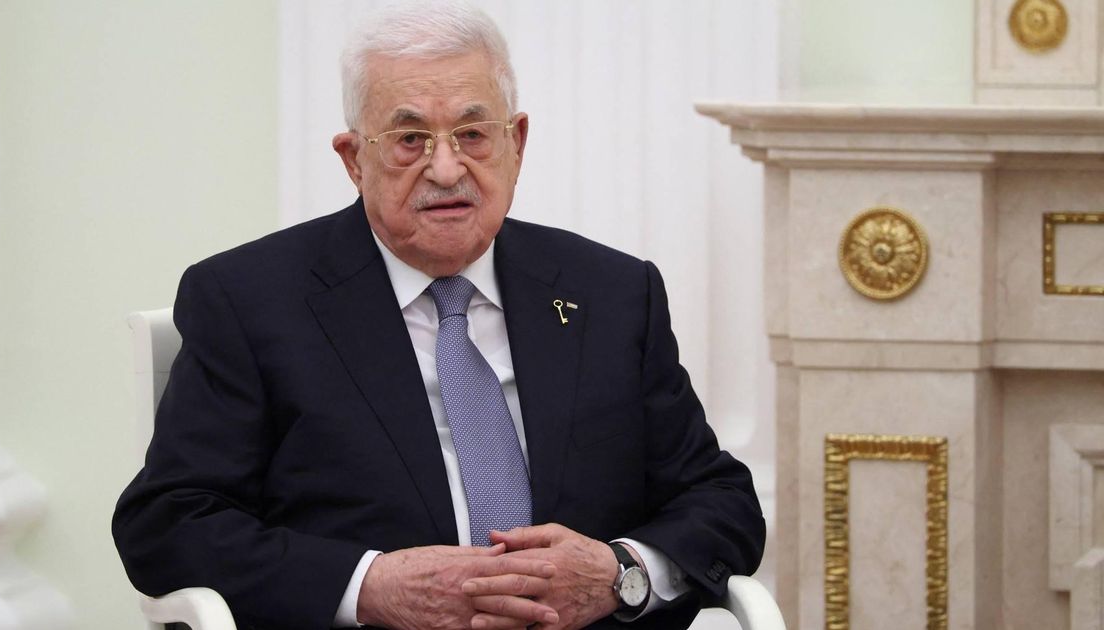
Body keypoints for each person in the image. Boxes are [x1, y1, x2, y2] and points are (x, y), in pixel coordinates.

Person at [112, 2, 764, 629]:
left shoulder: (613, 293)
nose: (447, 169)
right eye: (409, 140)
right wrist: (371, 587)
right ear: (353, 159)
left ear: (516, 143)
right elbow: (169, 522)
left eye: (473, 135)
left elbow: (721, 502)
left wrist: (620, 574)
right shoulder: (248, 301)